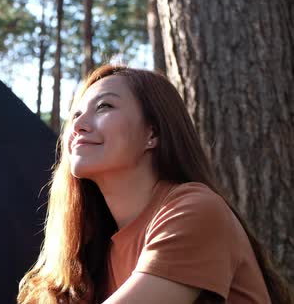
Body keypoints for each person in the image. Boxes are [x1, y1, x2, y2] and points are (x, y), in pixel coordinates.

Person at [17, 65, 292, 304]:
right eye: (75, 115)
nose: (78, 126)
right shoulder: (96, 248)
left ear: (153, 133)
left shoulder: (195, 210)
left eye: (104, 106)